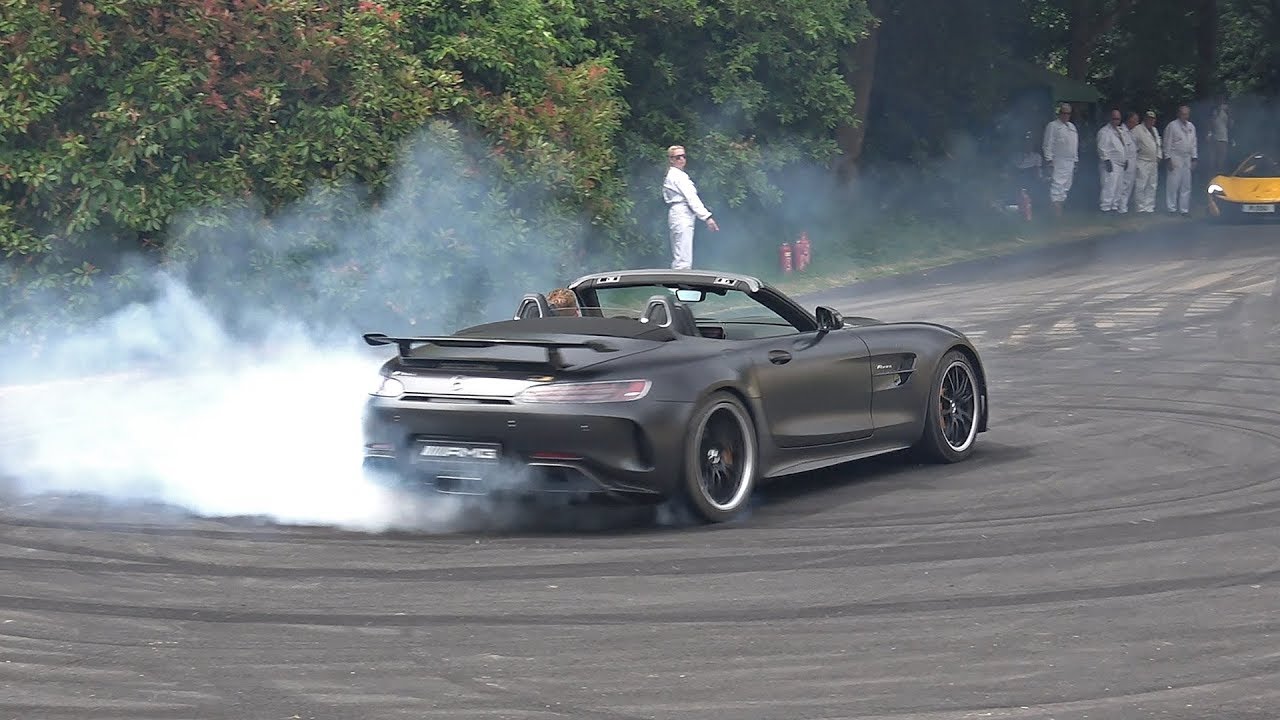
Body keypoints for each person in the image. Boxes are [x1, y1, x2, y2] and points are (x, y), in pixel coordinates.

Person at [662, 145, 718, 269]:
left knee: (681, 253)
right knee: (683, 258)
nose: (682, 159)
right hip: (681, 212)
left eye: (684, 156)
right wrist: (707, 217)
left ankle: (678, 286)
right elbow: (692, 198)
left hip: (680, 213)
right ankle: (678, 286)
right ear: (671, 159)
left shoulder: (676, 175)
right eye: (677, 157)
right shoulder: (678, 176)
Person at [1042, 103, 1079, 217]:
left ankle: (1059, 214)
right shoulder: (1053, 126)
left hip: (1070, 161)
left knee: (1066, 187)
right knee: (1057, 187)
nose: (1066, 115)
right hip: (1058, 160)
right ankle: (1056, 216)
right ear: (1059, 113)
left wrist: (1076, 160)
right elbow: (1047, 144)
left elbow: (1074, 144)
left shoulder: (1072, 127)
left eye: (1068, 113)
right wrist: (1049, 160)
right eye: (1064, 113)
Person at [1163, 105, 1198, 216]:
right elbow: (1167, 143)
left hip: (1187, 158)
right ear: (1178, 114)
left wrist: (1194, 158)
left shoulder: (1191, 126)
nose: (1185, 116)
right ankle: (1171, 208)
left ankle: (1184, 209)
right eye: (1183, 114)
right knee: (1173, 184)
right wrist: (1168, 158)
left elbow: (1193, 144)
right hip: (1175, 156)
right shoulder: (1172, 126)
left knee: (1186, 184)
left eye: (1187, 114)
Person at [1096, 108, 1130, 212]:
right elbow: (1102, 148)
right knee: (1109, 188)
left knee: (1118, 188)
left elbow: (1125, 147)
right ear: (1110, 119)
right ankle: (1105, 208)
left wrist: (1126, 159)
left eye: (1118, 119)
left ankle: (1114, 207)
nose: (1117, 121)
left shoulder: (1120, 131)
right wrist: (1106, 160)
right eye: (1114, 119)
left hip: (1120, 164)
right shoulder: (1104, 131)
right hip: (1111, 164)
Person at [1131, 110, 1162, 213]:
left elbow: (1158, 145)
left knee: (1152, 185)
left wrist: (1159, 156)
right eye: (1149, 118)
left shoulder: (1155, 130)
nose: (1151, 121)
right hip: (1142, 161)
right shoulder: (1138, 129)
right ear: (1145, 119)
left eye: (1153, 119)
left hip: (1153, 162)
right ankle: (1140, 207)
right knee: (1141, 185)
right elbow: (1131, 144)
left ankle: (1149, 207)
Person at [1114, 111, 1140, 214]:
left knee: (1129, 186)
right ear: (1130, 120)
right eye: (1135, 121)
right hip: (1125, 161)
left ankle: (1124, 207)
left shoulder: (1132, 132)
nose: (1137, 123)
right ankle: (1119, 207)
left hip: (1133, 161)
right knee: (1122, 185)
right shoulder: (1121, 131)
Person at [1207, 98, 1232, 175]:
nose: (1221, 102)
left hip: (1224, 137)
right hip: (1215, 137)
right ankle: (1212, 174)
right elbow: (1210, 123)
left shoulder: (1226, 111)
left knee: (1222, 157)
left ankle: (1219, 173)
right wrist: (1209, 133)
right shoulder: (1215, 110)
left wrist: (1228, 112)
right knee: (1213, 158)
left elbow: (1230, 124)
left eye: (1222, 101)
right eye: (1220, 100)